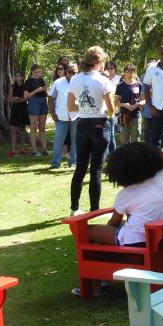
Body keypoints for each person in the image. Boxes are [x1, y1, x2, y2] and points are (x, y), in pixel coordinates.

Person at [72, 142, 163, 297]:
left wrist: (111, 231)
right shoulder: (158, 178)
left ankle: (96, 285)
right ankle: (103, 278)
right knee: (122, 226)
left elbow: (113, 223)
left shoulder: (125, 194)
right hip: (161, 237)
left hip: (135, 242)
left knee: (87, 231)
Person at [67, 46, 115, 216]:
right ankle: (95, 210)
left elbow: (71, 107)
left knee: (80, 168)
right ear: (99, 62)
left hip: (82, 123)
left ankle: (74, 209)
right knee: (96, 169)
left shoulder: (75, 79)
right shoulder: (103, 80)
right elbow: (111, 110)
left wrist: (85, 106)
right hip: (100, 123)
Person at [50, 62, 78, 169]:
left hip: (76, 116)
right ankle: (55, 162)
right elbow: (50, 97)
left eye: (74, 72)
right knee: (58, 140)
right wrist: (52, 113)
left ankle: (73, 162)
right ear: (66, 72)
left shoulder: (80, 83)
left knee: (75, 140)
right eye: (70, 72)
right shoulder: (58, 82)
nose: (72, 74)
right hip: (61, 117)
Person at [115, 63, 144, 144]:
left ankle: (136, 152)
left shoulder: (139, 85)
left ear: (134, 73)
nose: (129, 74)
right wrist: (125, 105)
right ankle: (126, 152)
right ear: (124, 73)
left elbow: (144, 100)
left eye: (131, 72)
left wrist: (136, 105)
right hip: (124, 114)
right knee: (125, 139)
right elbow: (116, 102)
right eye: (127, 72)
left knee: (136, 139)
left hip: (136, 114)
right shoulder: (120, 86)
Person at [24, 64, 49, 157]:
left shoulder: (41, 80)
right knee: (33, 128)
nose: (38, 74)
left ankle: (44, 150)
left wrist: (45, 90)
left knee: (42, 128)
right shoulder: (28, 81)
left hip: (43, 102)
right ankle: (34, 150)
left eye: (39, 72)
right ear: (32, 71)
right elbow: (26, 96)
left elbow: (46, 93)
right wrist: (36, 91)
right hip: (33, 102)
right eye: (36, 72)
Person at [7, 71, 29, 157]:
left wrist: (18, 99)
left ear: (22, 77)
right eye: (16, 76)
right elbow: (10, 99)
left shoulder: (25, 86)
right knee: (13, 129)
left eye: (19, 76)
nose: (17, 78)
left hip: (23, 108)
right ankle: (13, 150)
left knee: (23, 129)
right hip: (15, 108)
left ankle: (22, 148)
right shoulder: (12, 86)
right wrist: (16, 99)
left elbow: (26, 99)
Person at [104, 60, 122, 154]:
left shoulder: (119, 79)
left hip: (117, 109)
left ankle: (117, 153)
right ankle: (110, 154)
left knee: (117, 132)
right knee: (110, 134)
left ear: (115, 69)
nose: (109, 70)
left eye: (111, 68)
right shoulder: (102, 78)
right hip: (104, 110)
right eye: (107, 68)